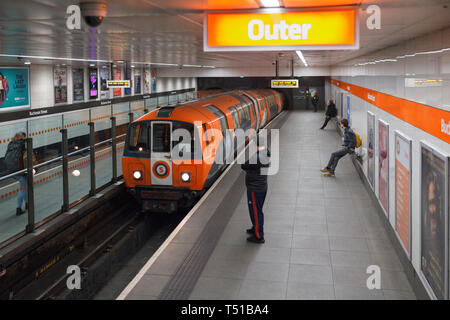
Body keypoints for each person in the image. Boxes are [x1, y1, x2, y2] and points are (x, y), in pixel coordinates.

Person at [241, 137, 271, 244]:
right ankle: (255, 227)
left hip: (255, 188)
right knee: (256, 210)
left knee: (256, 211)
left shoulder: (257, 157)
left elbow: (244, 165)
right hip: (262, 186)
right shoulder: (265, 152)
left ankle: (259, 236)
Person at [4, 132, 32, 216]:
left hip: (11, 169)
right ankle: (19, 208)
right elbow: (28, 156)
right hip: (20, 169)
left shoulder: (11, 143)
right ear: (22, 137)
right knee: (23, 188)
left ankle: (27, 204)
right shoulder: (23, 144)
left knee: (24, 185)